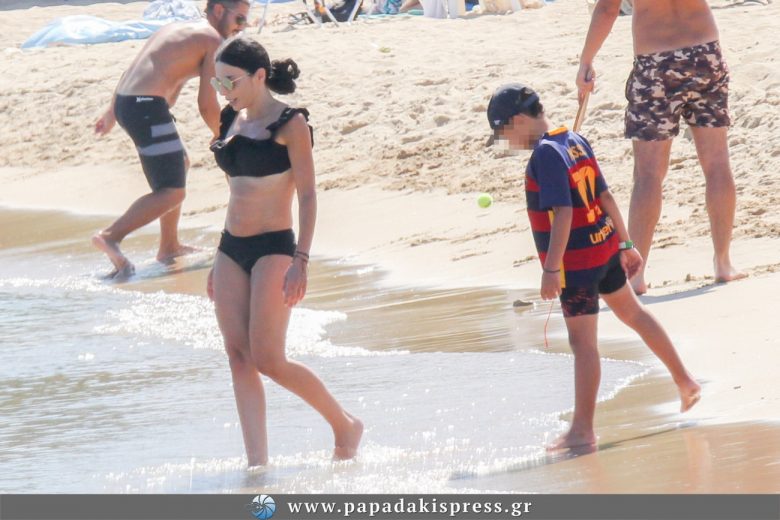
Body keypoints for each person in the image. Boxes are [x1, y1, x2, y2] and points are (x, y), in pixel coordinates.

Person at [487, 83, 701, 450]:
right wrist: (626, 244)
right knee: (634, 314)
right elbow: (605, 195)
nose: (507, 143)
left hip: (577, 264)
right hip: (604, 248)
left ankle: (582, 429)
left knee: (583, 344)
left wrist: (551, 270)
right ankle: (685, 381)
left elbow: (564, 212)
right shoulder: (573, 140)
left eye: (504, 134)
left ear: (519, 120)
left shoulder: (545, 154)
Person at [206, 37, 363, 466]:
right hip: (230, 248)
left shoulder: (291, 124)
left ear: (259, 76)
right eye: (217, 81)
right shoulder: (229, 119)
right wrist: (217, 259)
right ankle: (257, 464)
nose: (223, 90)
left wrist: (301, 261)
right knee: (238, 357)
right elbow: (236, 192)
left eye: (230, 80)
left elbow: (308, 195)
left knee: (268, 358)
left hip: (274, 247)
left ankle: (344, 425)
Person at [576, 0, 745, 294]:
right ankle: (723, 262)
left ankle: (635, 276)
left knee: (648, 175)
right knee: (717, 163)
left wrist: (586, 60)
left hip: (655, 62)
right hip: (704, 52)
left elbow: (607, 10)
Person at [92, 0, 251, 278]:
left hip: (132, 104)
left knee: (181, 164)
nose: (242, 27)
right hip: (145, 107)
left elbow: (130, 71)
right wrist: (223, 138)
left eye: (245, 21)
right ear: (218, 11)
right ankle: (110, 237)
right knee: (171, 191)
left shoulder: (178, 29)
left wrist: (112, 111)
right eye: (239, 19)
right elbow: (206, 104)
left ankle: (169, 246)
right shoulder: (214, 41)